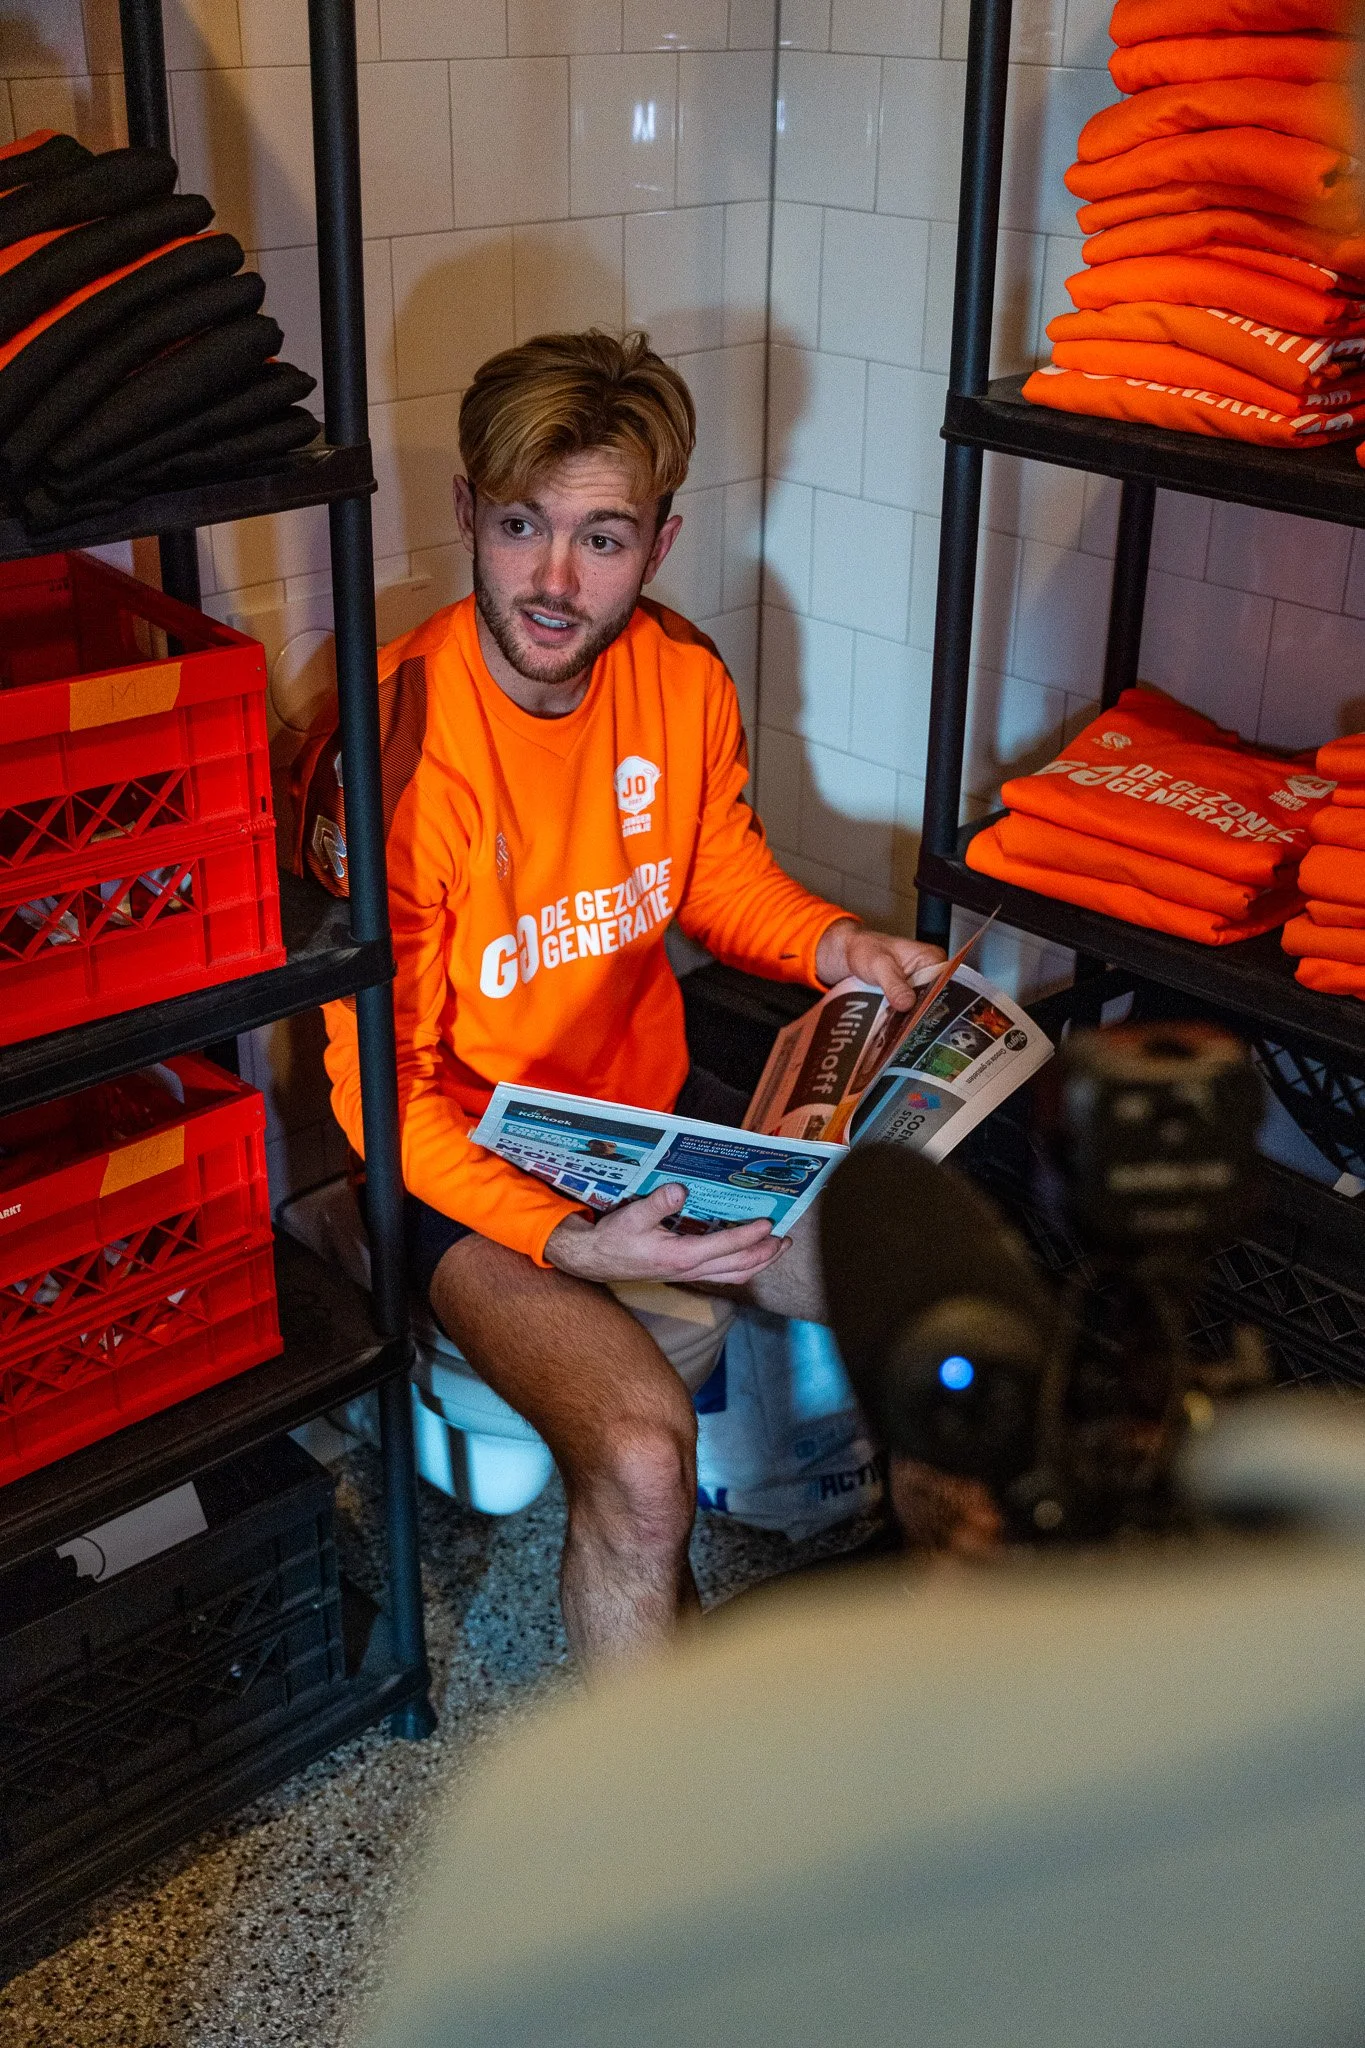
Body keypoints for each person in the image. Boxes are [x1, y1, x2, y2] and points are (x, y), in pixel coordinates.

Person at [323, 330, 944, 1663]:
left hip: (645, 1120)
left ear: (658, 544)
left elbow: (720, 879)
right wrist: (573, 1248)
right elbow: (384, 1095)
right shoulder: (391, 751)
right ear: (467, 516)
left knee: (923, 1290)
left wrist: (840, 947)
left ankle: (933, 1650)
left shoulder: (678, 674)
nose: (554, 581)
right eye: (521, 526)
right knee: (647, 1464)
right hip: (469, 1169)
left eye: (601, 539)